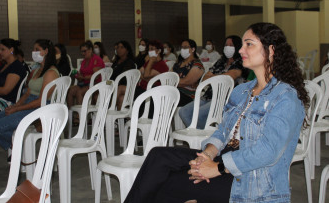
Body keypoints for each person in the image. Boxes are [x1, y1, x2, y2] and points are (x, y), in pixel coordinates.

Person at [124, 22, 309, 203]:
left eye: (249, 44)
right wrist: (208, 155)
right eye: (242, 44)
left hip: (252, 178)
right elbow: (223, 130)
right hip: (225, 157)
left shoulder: (286, 98)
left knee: (168, 183)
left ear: (271, 50)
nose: (241, 50)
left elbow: (268, 152)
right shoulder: (242, 91)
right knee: (159, 156)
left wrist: (218, 168)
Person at [0, 39, 59, 151]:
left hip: (41, 107)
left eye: (37, 50)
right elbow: (28, 92)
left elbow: (40, 101)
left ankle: (19, 150)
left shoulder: (51, 73)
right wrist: (16, 105)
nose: (34, 52)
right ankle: (18, 147)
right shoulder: (37, 70)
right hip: (28, 102)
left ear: (46, 51)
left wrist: (18, 109)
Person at [179, 35, 246, 129]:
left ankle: (205, 137)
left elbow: (229, 77)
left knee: (198, 114)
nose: (228, 47)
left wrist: (213, 77)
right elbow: (205, 78)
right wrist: (219, 76)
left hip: (225, 98)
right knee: (183, 112)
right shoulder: (221, 62)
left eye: (231, 45)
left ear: (238, 47)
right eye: (226, 45)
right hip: (209, 95)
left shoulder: (241, 62)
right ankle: (202, 135)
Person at [0, 39, 27, 105]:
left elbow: (5, 90)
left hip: (7, 103)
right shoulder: (3, 65)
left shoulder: (16, 67)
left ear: (11, 50)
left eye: (3, 50)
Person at [66, 40, 105, 106]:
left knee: (79, 92)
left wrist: (83, 77)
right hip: (85, 84)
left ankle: (80, 115)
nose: (83, 53)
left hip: (96, 84)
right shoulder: (84, 61)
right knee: (70, 91)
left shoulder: (96, 59)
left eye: (84, 51)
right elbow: (81, 75)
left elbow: (96, 76)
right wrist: (78, 76)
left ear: (90, 49)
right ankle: (70, 113)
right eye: (81, 52)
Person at [172, 39, 204, 107]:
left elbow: (185, 82)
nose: (183, 49)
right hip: (175, 90)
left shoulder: (197, 65)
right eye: (182, 47)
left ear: (193, 49)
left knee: (164, 97)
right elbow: (168, 76)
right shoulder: (179, 63)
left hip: (187, 95)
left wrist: (171, 82)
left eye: (185, 47)